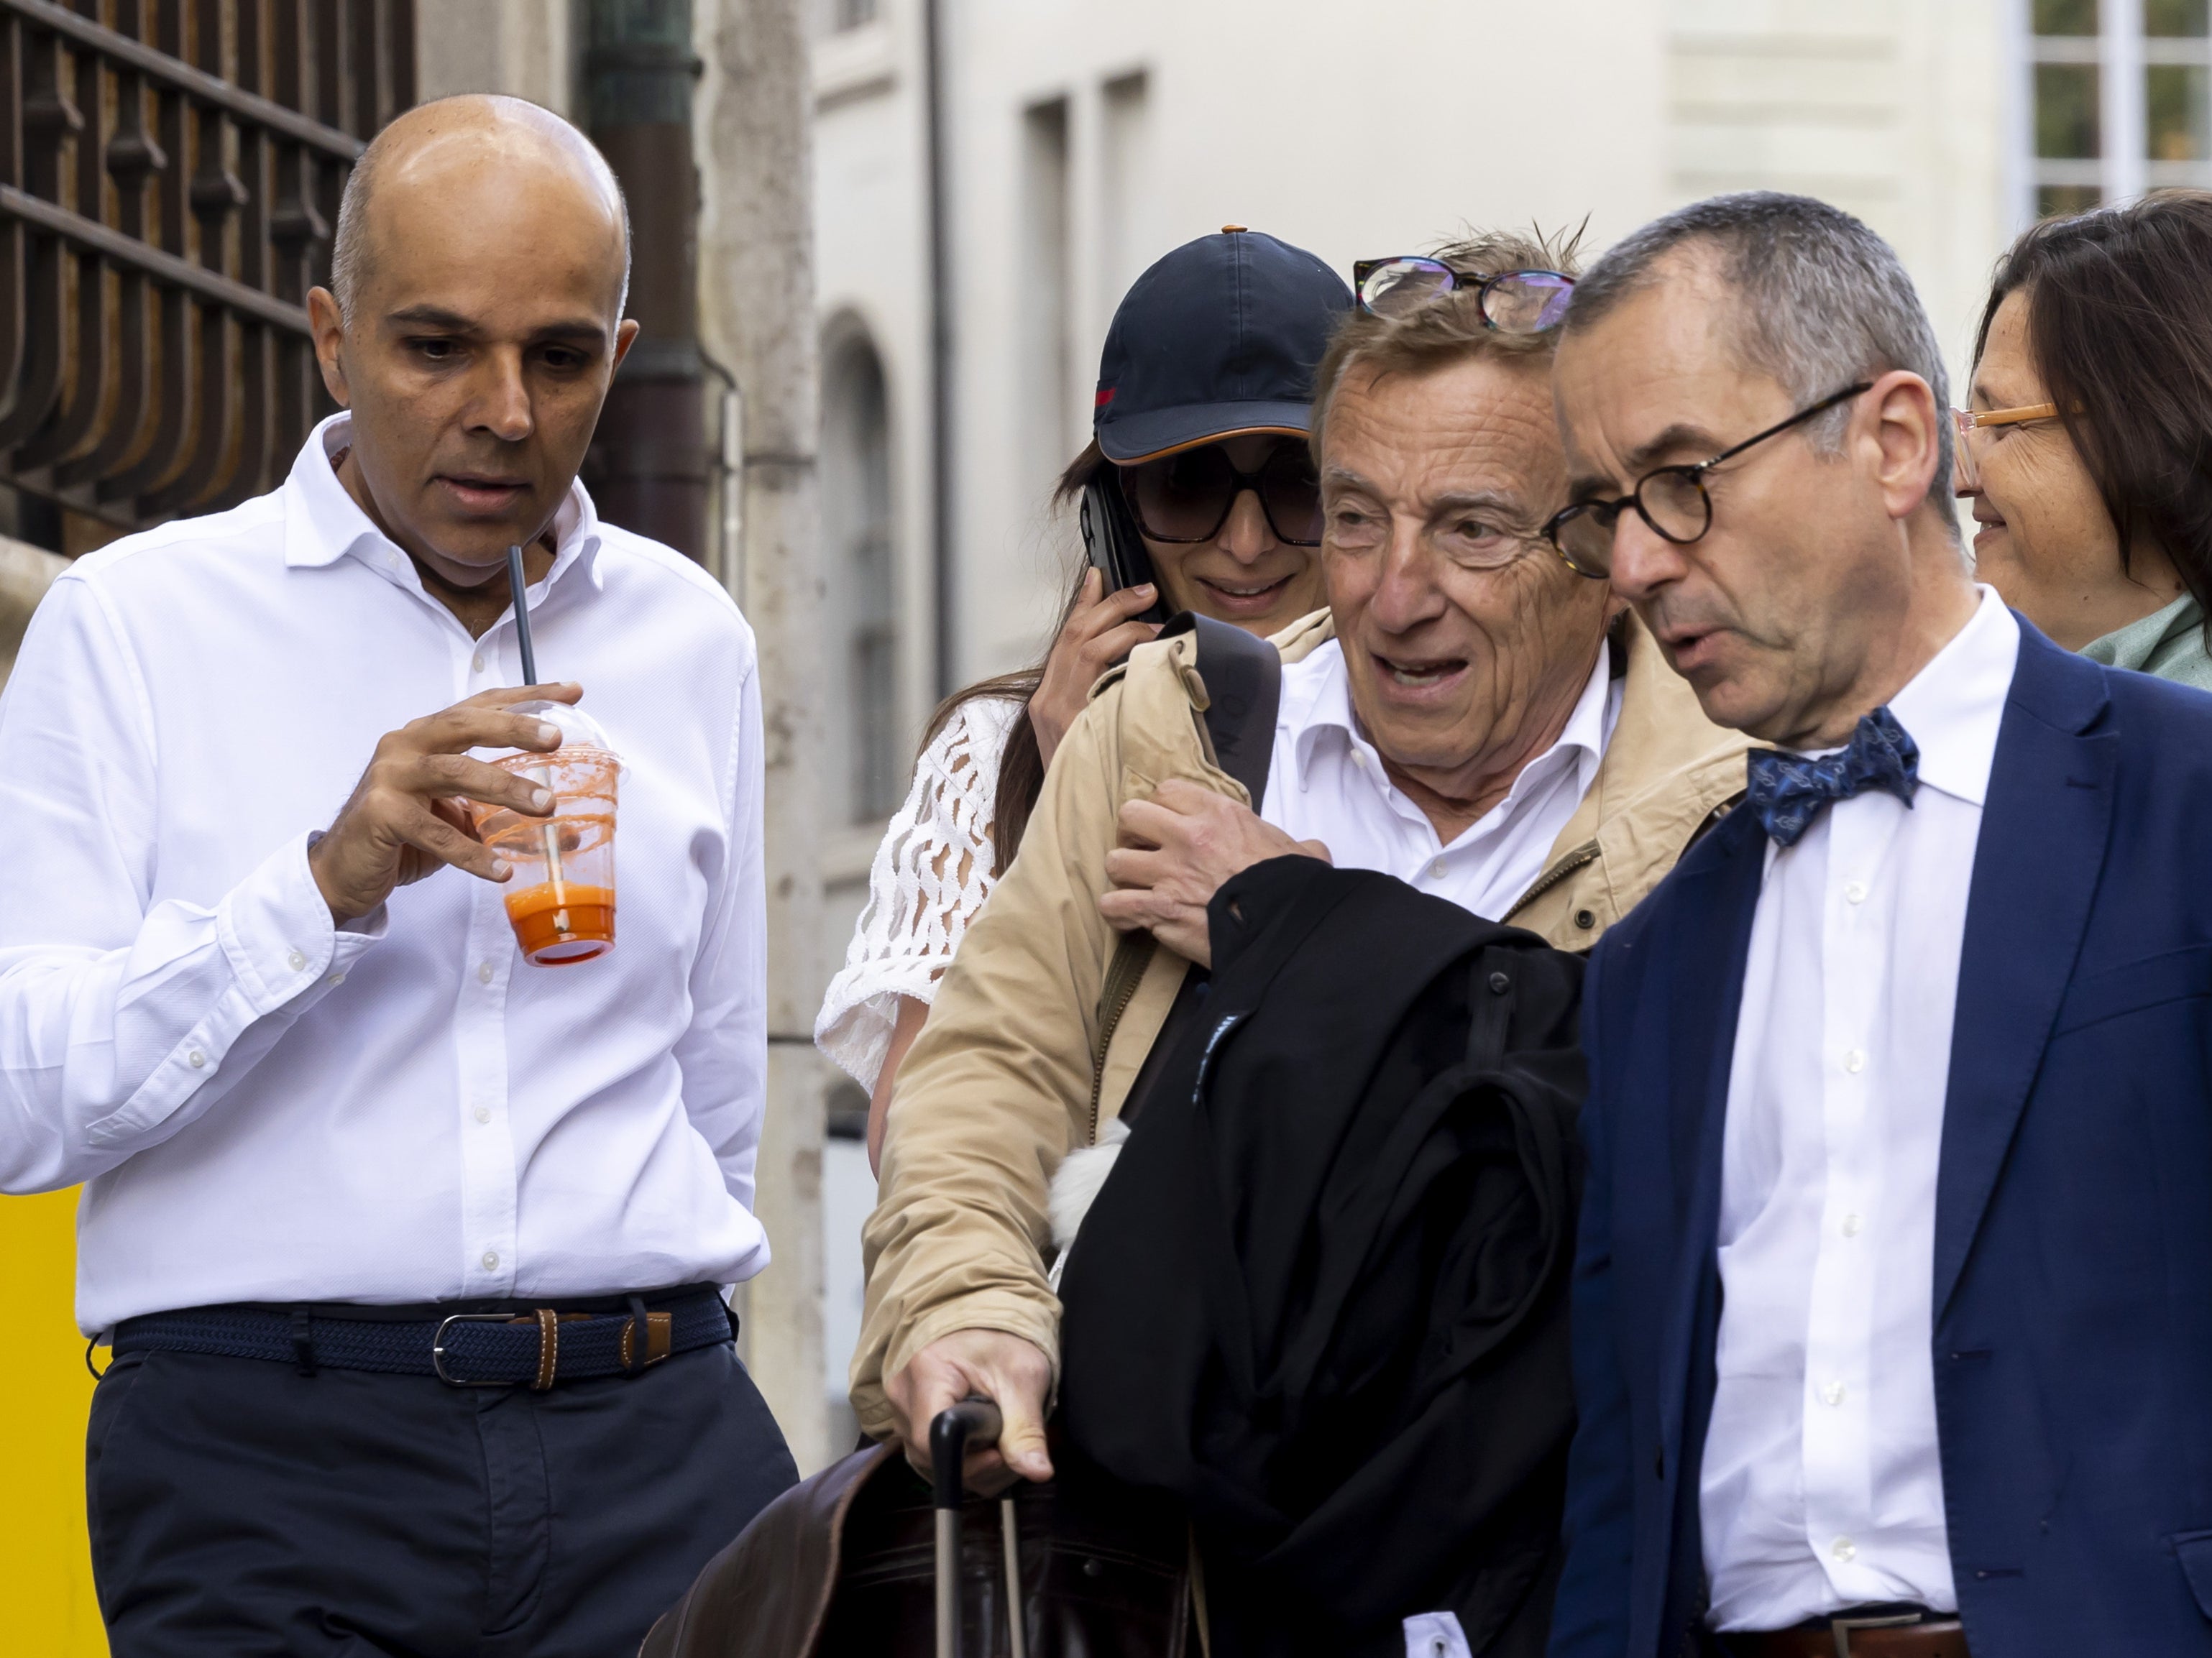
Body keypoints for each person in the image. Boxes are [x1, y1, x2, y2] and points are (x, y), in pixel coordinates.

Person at [0, 96, 794, 1654]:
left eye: (558, 357)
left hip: (653, 1441)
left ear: (617, 358)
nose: (503, 408)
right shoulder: (136, 625)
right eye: (437, 347)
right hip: (263, 1457)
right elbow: (20, 1100)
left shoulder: (688, 635)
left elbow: (712, 1089)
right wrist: (320, 891)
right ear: (330, 337)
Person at [851, 228, 1748, 1499]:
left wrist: (1294, 927)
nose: (1393, 592)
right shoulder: (1171, 724)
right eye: (1355, 517)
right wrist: (966, 1301)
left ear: (1605, 552)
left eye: (1471, 530)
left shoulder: (1737, 790)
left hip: (1576, 1539)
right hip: (1188, 1563)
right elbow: (986, 1070)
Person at [1546, 190, 2212, 1658]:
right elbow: (1621, 1478)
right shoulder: (1652, 960)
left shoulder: (2185, 804)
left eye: (1677, 477)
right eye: (1600, 509)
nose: (1634, 563)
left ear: (1894, 440)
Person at [816, 227, 1347, 1169]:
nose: (1248, 539)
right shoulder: (999, 747)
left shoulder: (1431, 728)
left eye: (1295, 485)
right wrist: (1073, 796)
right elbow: (914, 1142)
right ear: (1111, 512)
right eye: (1189, 486)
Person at [1957, 189, 2212, 688]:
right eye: (1972, 424)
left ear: (2167, 433)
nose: (1961, 479)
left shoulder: (2175, 753)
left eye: (2003, 423)